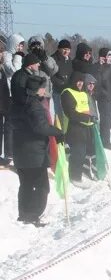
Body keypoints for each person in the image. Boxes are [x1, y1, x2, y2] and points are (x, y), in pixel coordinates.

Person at [10, 75, 63, 226]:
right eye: (42, 88)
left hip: (20, 151)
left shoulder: (16, 103)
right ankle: (33, 215)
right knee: (41, 186)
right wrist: (58, 132)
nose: (44, 90)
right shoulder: (33, 105)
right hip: (34, 153)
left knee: (25, 184)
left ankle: (24, 214)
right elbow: (40, 127)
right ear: (37, 89)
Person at [60, 71, 96, 186]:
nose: (80, 83)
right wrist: (86, 117)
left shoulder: (84, 93)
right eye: (77, 81)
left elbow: (88, 108)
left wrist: (92, 118)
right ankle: (75, 176)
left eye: (81, 81)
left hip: (87, 127)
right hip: (75, 127)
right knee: (78, 152)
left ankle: (84, 171)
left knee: (86, 152)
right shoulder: (67, 93)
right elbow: (71, 113)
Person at [93, 48, 111, 149]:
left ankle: (106, 140)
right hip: (102, 98)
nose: (110, 59)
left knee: (108, 120)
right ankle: (105, 142)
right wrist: (99, 65)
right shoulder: (99, 67)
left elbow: (110, 82)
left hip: (108, 98)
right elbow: (98, 83)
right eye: (108, 56)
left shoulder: (108, 68)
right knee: (106, 120)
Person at [51, 39, 73, 117]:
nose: (66, 51)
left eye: (68, 49)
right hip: (58, 91)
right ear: (59, 49)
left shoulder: (69, 60)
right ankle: (58, 128)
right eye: (64, 49)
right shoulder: (53, 59)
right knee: (59, 113)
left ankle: (67, 129)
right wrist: (60, 82)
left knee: (68, 113)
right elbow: (51, 75)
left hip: (67, 91)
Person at [0, 39, 11, 166]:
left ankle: (9, 154)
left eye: (1, 52)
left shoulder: (6, 67)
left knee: (9, 129)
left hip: (7, 101)